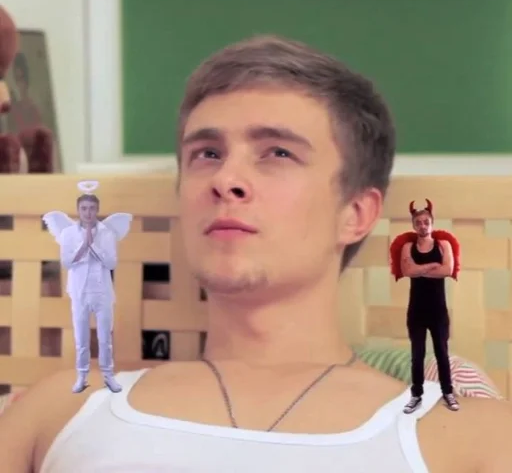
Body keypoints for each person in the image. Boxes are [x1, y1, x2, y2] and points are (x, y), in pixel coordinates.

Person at [0, 35, 511, 472]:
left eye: (278, 153)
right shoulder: (62, 409)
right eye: (207, 154)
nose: (226, 179)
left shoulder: (469, 436)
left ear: (355, 213)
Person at [42, 181, 132, 395]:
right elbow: (67, 263)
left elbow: (111, 263)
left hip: (102, 292)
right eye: (84, 208)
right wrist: (83, 245)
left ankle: (108, 375)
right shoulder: (68, 234)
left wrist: (94, 245)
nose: (88, 212)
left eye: (92, 208)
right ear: (78, 210)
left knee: (104, 338)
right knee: (81, 338)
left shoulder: (106, 233)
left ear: (97, 209)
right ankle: (82, 376)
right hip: (79, 292)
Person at [389, 200, 461, 415]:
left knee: (442, 353)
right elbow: (408, 271)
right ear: (414, 225)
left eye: (426, 222)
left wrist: (419, 269)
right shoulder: (408, 247)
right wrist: (431, 266)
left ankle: (447, 392)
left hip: (438, 310)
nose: (422, 225)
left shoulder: (443, 245)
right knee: (417, 354)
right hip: (416, 310)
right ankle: (416, 395)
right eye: (418, 222)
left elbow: (447, 270)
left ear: (432, 223)